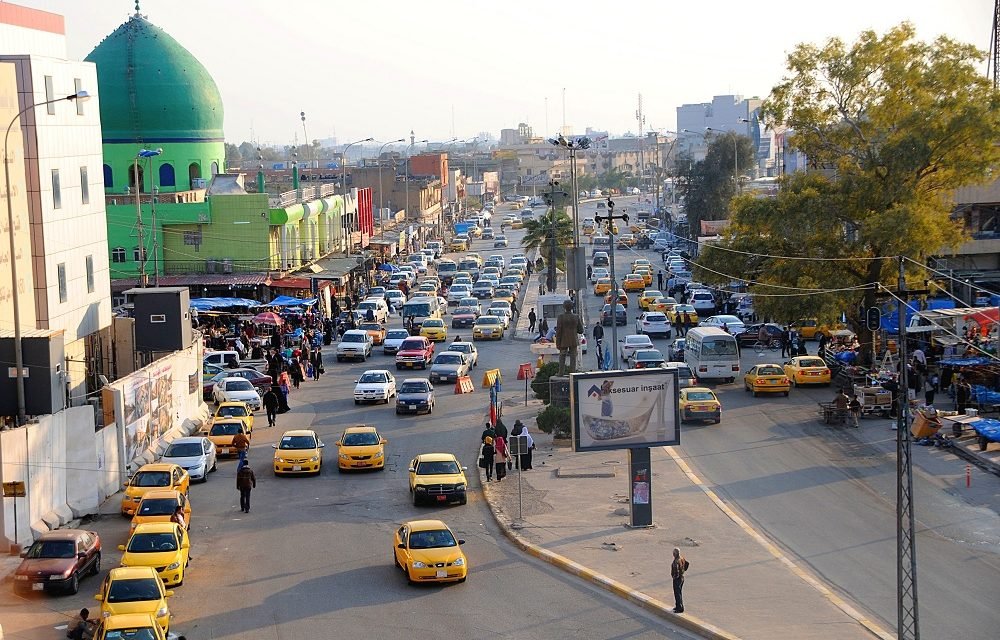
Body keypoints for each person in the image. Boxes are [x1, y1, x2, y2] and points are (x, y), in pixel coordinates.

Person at [555, 300, 584, 375]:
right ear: (572, 307)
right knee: (573, 357)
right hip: (573, 340)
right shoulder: (576, 317)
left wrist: (557, 343)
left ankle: (561, 372)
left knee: (562, 356)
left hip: (563, 340)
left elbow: (558, 331)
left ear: (564, 307)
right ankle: (572, 372)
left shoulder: (561, 317)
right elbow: (581, 330)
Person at [671, 548, 688, 614]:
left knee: (677, 593)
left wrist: (675, 577)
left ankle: (679, 608)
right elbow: (687, 564)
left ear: (675, 554)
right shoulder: (682, 558)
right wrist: (683, 571)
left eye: (673, 553)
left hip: (677, 579)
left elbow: (676, 571)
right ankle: (678, 606)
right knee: (679, 593)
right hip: (682, 578)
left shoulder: (676, 562)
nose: (673, 554)